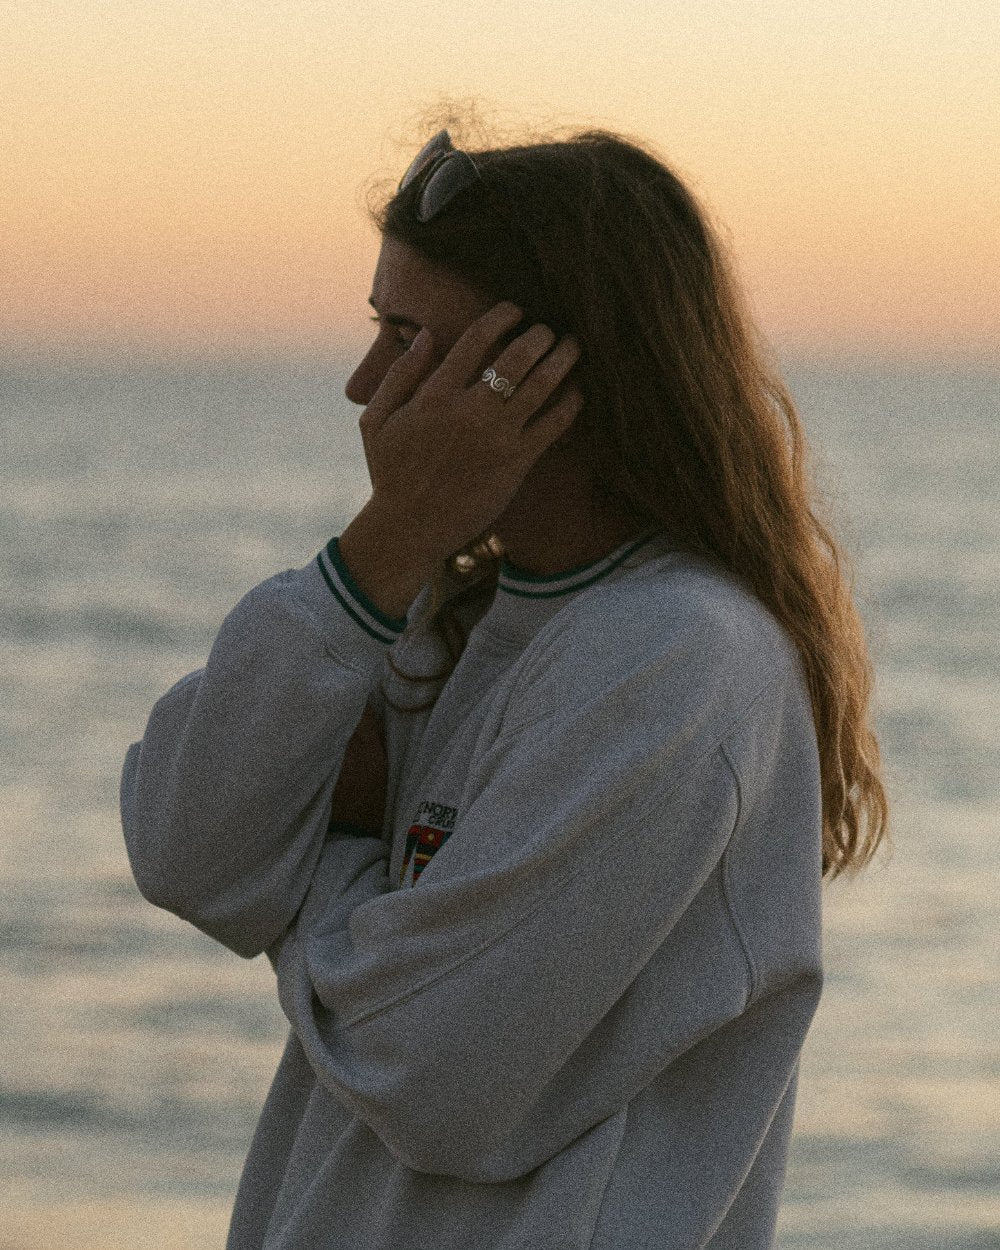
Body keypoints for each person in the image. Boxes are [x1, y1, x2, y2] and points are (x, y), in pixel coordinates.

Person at [120, 125, 889, 1249]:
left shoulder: (679, 658)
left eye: (403, 338)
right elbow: (185, 847)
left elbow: (428, 1063)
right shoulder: (447, 614)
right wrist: (384, 548)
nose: (363, 384)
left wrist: (317, 872)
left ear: (546, 370)